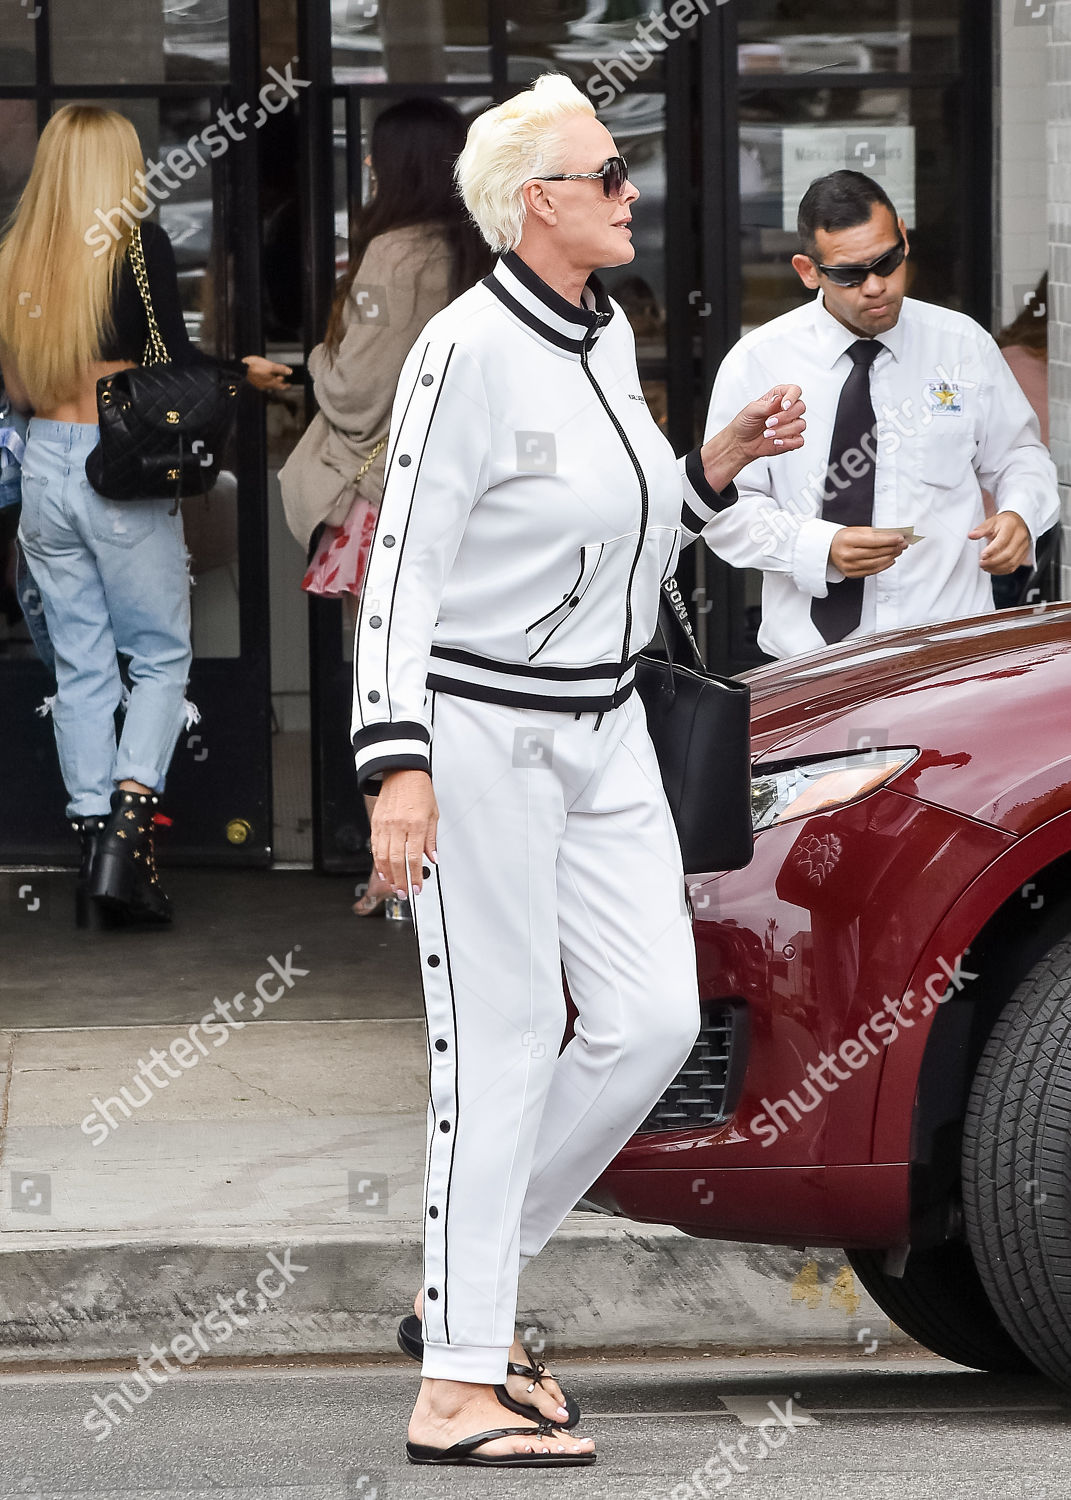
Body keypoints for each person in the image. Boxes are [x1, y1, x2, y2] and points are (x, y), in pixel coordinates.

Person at [351, 73, 806, 1466]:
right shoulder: (462, 349)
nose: (628, 192)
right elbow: (403, 567)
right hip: (478, 734)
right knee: (493, 1054)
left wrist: (708, 468)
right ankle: (455, 1385)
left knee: (647, 1025)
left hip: (605, 733)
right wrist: (397, 766)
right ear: (534, 202)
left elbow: (616, 530)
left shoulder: (603, 336)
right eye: (605, 175)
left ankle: (460, 1299)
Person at [0, 104, 289, 927]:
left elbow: (16, 392)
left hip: (46, 473)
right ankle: (127, 847)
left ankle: (95, 850)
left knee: (81, 669)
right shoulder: (137, 245)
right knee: (159, 658)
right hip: (119, 470)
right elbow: (175, 369)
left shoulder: (15, 256)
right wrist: (244, 375)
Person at [703, 170, 1060, 660]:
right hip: (811, 668)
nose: (876, 286)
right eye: (851, 274)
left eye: (888, 262)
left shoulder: (962, 344)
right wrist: (817, 546)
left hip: (947, 657)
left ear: (904, 241)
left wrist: (1020, 513)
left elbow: (1021, 455)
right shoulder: (758, 361)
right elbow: (725, 509)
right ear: (809, 271)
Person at [279, 97, 492, 918]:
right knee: (456, 677)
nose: (365, 169)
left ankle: (397, 869)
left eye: (373, 156)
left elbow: (357, 390)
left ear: (394, 165)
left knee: (383, 678)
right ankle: (453, 858)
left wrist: (314, 358)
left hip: (383, 498)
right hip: (462, 501)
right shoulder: (477, 249)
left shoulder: (395, 254)